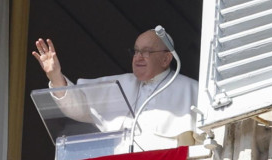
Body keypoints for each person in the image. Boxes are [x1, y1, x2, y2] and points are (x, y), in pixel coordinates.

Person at [32, 29, 199, 151]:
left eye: (146, 52)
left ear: (166, 58)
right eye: (136, 51)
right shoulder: (119, 84)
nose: (138, 57)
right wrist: (55, 76)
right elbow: (78, 106)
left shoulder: (191, 90)